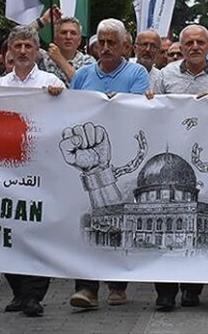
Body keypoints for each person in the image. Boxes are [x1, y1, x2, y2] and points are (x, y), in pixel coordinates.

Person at [147, 24, 208, 311]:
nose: (195, 47)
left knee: (196, 229)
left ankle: (193, 288)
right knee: (165, 235)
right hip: (169, 153)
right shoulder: (164, 76)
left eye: (200, 42)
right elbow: (153, 111)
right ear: (180, 48)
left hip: (204, 155)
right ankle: (165, 292)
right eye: (189, 42)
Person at [67, 19, 150, 312]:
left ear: (125, 46)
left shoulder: (137, 73)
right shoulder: (82, 75)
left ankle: (117, 285)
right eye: (100, 42)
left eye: (111, 42)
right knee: (86, 224)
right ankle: (86, 288)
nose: (104, 47)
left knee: (115, 222)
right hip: (89, 162)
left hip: (122, 157)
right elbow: (70, 108)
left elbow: (140, 109)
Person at [0, 26, 64, 317]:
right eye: (18, 45)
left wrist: (59, 97)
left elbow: (68, 116)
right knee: (10, 232)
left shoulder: (51, 81)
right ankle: (18, 293)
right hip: (8, 172)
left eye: (28, 46)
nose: (23, 51)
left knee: (38, 232)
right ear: (10, 50)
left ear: (37, 51)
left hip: (41, 170)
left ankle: (34, 295)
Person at [34, 9, 95, 85]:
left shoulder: (88, 61)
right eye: (63, 32)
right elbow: (20, 38)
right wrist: (43, 20)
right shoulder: (43, 57)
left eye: (73, 33)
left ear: (79, 40)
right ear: (55, 38)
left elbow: (82, 84)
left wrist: (60, 59)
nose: (68, 37)